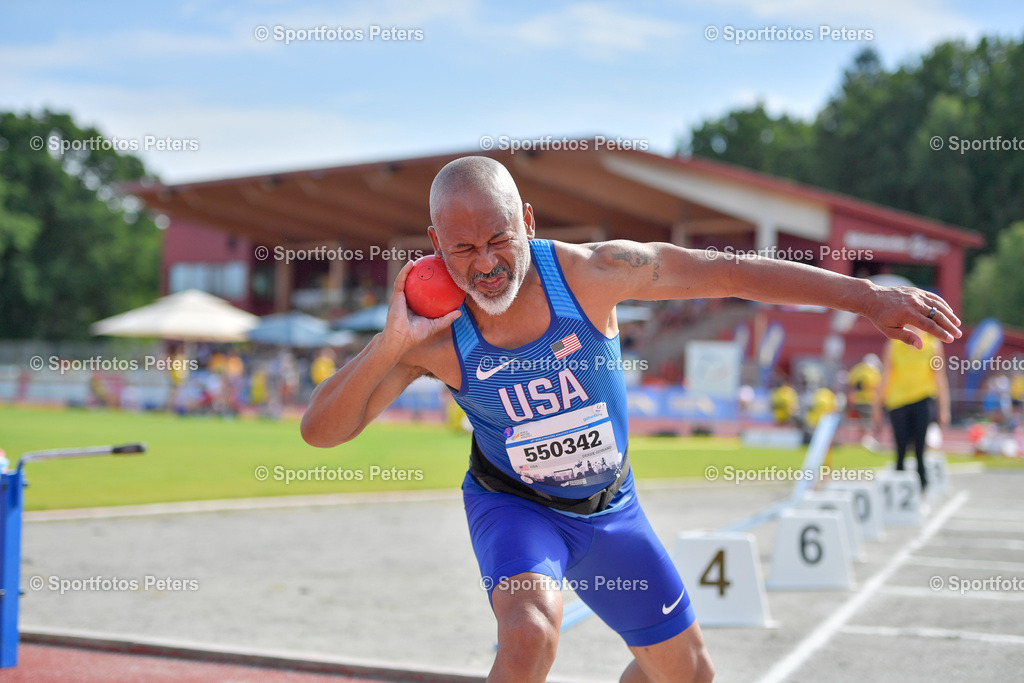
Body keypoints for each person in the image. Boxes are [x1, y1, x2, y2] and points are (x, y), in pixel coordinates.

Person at [301, 157, 961, 682]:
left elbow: (727, 271)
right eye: (463, 248)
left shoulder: (593, 274)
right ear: (434, 245)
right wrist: (390, 343)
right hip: (517, 509)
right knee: (530, 632)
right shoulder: (433, 337)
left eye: (500, 237)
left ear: (527, 219)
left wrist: (864, 295)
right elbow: (321, 430)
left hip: (610, 507)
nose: (486, 263)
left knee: (688, 673)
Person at [873, 326, 951, 491]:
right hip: (898, 401)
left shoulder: (933, 345)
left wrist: (944, 409)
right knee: (900, 448)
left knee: (920, 449)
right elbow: (886, 375)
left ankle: (922, 486)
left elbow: (940, 377)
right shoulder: (894, 344)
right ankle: (898, 489)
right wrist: (877, 407)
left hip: (923, 399)